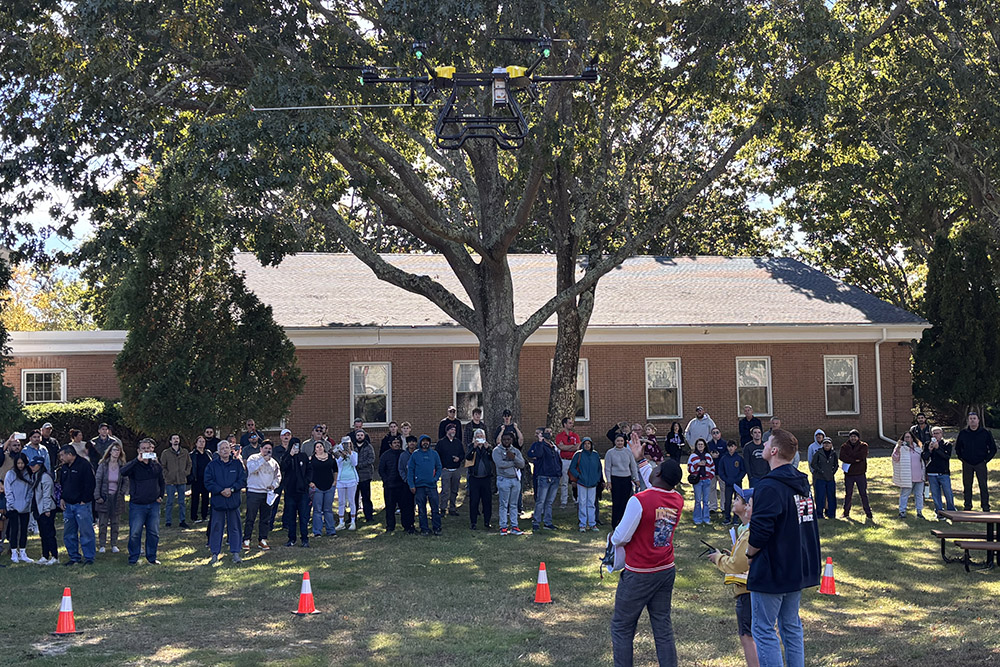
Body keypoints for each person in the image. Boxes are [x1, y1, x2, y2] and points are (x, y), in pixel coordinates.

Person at [745, 429, 821, 667]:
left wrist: (749, 554)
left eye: (767, 442)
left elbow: (761, 530)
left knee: (764, 629)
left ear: (774, 450)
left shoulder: (769, 486)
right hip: (796, 564)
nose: (764, 446)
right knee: (791, 626)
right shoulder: (801, 483)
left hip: (773, 567)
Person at [610, 459, 685, 667]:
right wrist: (640, 459)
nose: (652, 470)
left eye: (656, 468)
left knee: (622, 627)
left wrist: (612, 537)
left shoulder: (639, 500)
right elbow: (656, 487)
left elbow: (620, 537)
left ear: (658, 474)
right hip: (665, 568)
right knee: (662, 626)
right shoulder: (677, 499)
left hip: (640, 571)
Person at [707, 486, 759, 667]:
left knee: (748, 635)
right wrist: (731, 555)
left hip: (747, 591)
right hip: (753, 589)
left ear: (748, 507)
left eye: (739, 499)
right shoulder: (746, 530)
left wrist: (718, 559)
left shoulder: (749, 533)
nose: (734, 501)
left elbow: (737, 565)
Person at [120, 438, 166, 565]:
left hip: (153, 504)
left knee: (153, 533)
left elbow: (161, 481)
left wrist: (161, 495)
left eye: (149, 448)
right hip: (137, 505)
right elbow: (122, 472)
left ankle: (151, 557)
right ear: (138, 450)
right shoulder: (134, 465)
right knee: (135, 533)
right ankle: (133, 558)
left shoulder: (156, 464)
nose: (146, 450)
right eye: (144, 448)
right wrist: (136, 460)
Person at [204, 440, 247, 564]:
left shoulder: (237, 464)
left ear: (230, 449)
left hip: (233, 502)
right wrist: (220, 490)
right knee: (216, 528)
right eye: (222, 448)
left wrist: (232, 489)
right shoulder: (212, 466)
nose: (225, 450)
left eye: (227, 448)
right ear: (218, 451)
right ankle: (215, 553)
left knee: (235, 528)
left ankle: (236, 553)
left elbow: (242, 480)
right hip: (218, 502)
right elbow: (208, 482)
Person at [58, 445, 97, 565]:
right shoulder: (64, 467)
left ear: (70, 454)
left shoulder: (84, 465)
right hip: (68, 505)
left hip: (82, 505)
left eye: (62, 455)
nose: (61, 458)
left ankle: (89, 557)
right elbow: (62, 484)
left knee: (86, 532)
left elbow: (91, 483)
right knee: (69, 533)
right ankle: (74, 557)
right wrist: (62, 498)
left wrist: (84, 500)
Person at [243, 440, 281, 550]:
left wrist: (273, 486)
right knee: (250, 517)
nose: (268, 450)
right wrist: (263, 460)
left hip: (267, 493)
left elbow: (278, 476)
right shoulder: (253, 458)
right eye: (265, 448)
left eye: (269, 449)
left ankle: (262, 540)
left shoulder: (274, 462)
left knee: (265, 518)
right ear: (261, 449)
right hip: (254, 492)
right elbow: (251, 469)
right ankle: (246, 540)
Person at [956, 411, 997, 512]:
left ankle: (985, 506)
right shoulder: (963, 433)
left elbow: (993, 449)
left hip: (980, 463)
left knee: (983, 485)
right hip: (967, 463)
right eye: (971, 419)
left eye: (974, 418)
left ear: (978, 420)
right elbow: (958, 448)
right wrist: (963, 459)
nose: (972, 420)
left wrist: (985, 460)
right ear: (968, 421)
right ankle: (967, 506)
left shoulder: (985, 433)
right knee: (967, 485)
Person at [95, 442, 129, 554]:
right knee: (103, 523)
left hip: (117, 497)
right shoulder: (103, 465)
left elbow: (125, 480)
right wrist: (97, 496)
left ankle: (114, 544)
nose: (116, 452)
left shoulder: (122, 465)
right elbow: (98, 481)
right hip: (104, 496)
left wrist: (122, 492)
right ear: (110, 451)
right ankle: (102, 545)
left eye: (118, 450)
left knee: (115, 522)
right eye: (114, 450)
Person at [408, 435, 443, 536]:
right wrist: (411, 484)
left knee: (435, 508)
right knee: (421, 509)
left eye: (427, 441)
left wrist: (435, 479)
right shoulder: (415, 455)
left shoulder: (434, 454)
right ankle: (424, 529)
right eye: (423, 441)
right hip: (419, 486)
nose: (425, 443)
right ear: (420, 443)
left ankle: (437, 527)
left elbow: (439, 467)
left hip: (432, 486)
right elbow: (410, 470)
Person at [528, 427, 561, 531]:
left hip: (555, 476)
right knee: (540, 501)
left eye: (550, 432)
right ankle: (536, 522)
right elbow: (538, 454)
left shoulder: (553, 446)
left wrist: (559, 472)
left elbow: (557, 459)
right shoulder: (540, 445)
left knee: (549, 502)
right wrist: (540, 442)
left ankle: (548, 522)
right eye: (546, 432)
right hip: (544, 476)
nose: (549, 434)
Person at [281, 439, 313, 547]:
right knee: (291, 516)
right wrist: (290, 455)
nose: (296, 448)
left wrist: (307, 481)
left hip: (302, 491)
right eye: (294, 445)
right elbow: (283, 467)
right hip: (290, 491)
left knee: (303, 517)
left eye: (297, 445)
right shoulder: (286, 456)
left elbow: (309, 470)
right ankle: (291, 538)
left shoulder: (303, 456)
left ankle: (305, 539)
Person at [492, 432, 524, 536]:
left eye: (508, 440)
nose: (506, 441)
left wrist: (514, 458)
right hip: (503, 479)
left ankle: (514, 526)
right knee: (503, 504)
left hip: (515, 480)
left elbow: (522, 464)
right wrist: (513, 462)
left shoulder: (515, 451)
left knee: (514, 504)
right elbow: (500, 464)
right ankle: (503, 527)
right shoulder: (497, 451)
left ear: (511, 440)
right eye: (504, 439)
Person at [4, 453, 34, 563]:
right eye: (18, 463)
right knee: (14, 529)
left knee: (23, 530)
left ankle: (22, 551)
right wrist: (11, 503)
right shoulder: (10, 474)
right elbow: (8, 490)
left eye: (22, 463)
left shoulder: (28, 474)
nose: (20, 465)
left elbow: (30, 490)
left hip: (25, 506)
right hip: (13, 507)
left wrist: (27, 502)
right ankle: (13, 552)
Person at [606, 434, 641, 529]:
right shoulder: (610, 453)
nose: (620, 443)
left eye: (621, 441)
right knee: (616, 502)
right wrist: (608, 481)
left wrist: (636, 479)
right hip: (615, 479)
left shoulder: (628, 452)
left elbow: (633, 466)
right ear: (615, 442)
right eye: (618, 441)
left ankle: (624, 523)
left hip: (626, 479)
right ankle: (615, 523)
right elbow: (607, 468)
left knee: (625, 502)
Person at [29, 455, 59, 565]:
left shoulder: (45, 477)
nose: (31, 467)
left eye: (34, 465)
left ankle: (55, 556)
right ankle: (45, 555)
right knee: (43, 534)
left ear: (40, 465)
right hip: (39, 509)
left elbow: (47, 495)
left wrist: (47, 509)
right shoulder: (36, 476)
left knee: (49, 533)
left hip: (47, 509)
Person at [569, 436, 603, 532]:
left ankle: (592, 523)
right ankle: (582, 524)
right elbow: (572, 468)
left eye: (589, 443)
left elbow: (599, 468)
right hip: (582, 483)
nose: (587, 445)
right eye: (585, 444)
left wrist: (597, 479)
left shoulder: (595, 455)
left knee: (591, 504)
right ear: (582, 445)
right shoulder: (578, 455)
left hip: (593, 483)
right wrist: (579, 476)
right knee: (582, 502)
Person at [839, 429, 874, 522]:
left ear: (858, 437)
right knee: (848, 494)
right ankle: (846, 512)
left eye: (855, 436)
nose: (853, 438)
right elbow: (842, 457)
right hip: (849, 474)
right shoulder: (844, 446)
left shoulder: (864, 446)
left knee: (863, 493)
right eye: (851, 436)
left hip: (860, 474)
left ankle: (868, 513)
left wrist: (850, 458)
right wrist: (855, 460)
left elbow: (862, 456)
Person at [465, 428, 494, 531]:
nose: (480, 438)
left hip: (486, 478)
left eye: (481, 436)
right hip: (474, 478)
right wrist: (474, 447)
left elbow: (492, 458)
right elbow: (467, 458)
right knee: (474, 501)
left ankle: (487, 521)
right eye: (478, 436)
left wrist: (488, 449)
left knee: (487, 501)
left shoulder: (488, 447)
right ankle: (473, 522)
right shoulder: (471, 447)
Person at [923, 426, 956, 516]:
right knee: (935, 494)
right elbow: (924, 457)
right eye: (934, 433)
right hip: (932, 473)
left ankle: (951, 510)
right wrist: (929, 450)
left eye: (937, 433)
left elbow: (946, 457)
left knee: (948, 493)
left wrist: (938, 448)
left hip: (943, 472)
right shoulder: (927, 444)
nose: (935, 435)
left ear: (941, 434)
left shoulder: (946, 444)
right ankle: (939, 511)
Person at [160, 434, 192, 529]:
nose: (176, 440)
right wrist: (167, 474)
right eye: (173, 439)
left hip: (181, 480)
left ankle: (182, 520)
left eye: (177, 438)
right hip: (170, 481)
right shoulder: (166, 453)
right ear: (170, 441)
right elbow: (162, 466)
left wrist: (186, 473)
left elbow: (189, 463)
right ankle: (168, 521)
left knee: (182, 501)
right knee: (170, 501)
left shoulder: (184, 452)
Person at [892, 431, 926, 519]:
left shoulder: (918, 448)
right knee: (904, 494)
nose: (907, 439)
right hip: (907, 476)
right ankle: (902, 511)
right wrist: (898, 447)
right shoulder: (901, 448)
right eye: (905, 437)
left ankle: (919, 511)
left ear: (912, 438)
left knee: (919, 495)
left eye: (909, 437)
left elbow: (923, 460)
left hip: (919, 476)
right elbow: (895, 458)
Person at [309, 438, 338, 537]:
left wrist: (335, 481)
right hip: (317, 487)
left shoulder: (331, 458)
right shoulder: (311, 459)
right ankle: (317, 531)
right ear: (315, 449)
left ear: (324, 447)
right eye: (317, 447)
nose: (319, 448)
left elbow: (335, 470)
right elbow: (308, 472)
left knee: (328, 509)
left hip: (329, 486)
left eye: (321, 446)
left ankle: (331, 530)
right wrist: (310, 483)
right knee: (317, 510)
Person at [379, 435, 407, 533]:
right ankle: (390, 526)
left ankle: (406, 526)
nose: (397, 444)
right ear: (390, 445)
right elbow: (381, 470)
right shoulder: (385, 455)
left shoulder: (404, 454)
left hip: (402, 485)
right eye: (394, 443)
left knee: (404, 507)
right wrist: (386, 480)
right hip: (390, 486)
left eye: (398, 443)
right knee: (390, 508)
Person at [436, 424, 465, 517]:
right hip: (446, 470)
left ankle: (452, 508)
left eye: (454, 430)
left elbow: (462, 454)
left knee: (454, 490)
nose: (453, 431)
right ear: (447, 431)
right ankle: (443, 508)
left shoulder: (458, 442)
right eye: (451, 430)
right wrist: (441, 466)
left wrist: (459, 459)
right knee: (445, 490)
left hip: (456, 469)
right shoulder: (441, 443)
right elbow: (437, 456)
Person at [716, 440, 747, 525]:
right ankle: (727, 517)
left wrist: (737, 479)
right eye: (729, 447)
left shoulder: (739, 458)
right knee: (728, 501)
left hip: (737, 483)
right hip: (728, 483)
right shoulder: (724, 458)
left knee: (738, 501)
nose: (731, 448)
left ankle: (736, 518)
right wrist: (726, 479)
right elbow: (721, 471)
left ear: (735, 447)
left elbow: (743, 470)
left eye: (732, 446)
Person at [687, 438, 715, 526]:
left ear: (704, 446)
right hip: (698, 481)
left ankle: (706, 518)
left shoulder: (708, 456)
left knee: (706, 501)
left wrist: (710, 477)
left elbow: (712, 467)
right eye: (699, 444)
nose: (700, 446)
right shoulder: (693, 456)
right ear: (696, 446)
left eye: (702, 444)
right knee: (698, 500)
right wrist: (697, 465)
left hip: (706, 480)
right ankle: (697, 518)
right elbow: (689, 469)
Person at [555, 417, 582, 509]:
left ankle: (577, 499)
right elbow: (561, 447)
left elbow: (578, 447)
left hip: (574, 460)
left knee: (575, 480)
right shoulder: (559, 436)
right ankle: (564, 501)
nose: (571, 424)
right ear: (565, 424)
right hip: (564, 460)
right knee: (564, 481)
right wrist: (571, 447)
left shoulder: (575, 435)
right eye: (569, 423)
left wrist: (567, 447)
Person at [333, 438, 359, 531]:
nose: (346, 445)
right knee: (341, 501)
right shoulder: (338, 455)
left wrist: (350, 454)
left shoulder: (354, 454)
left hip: (351, 479)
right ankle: (341, 522)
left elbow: (354, 463)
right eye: (344, 444)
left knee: (351, 500)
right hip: (341, 480)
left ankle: (353, 521)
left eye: (347, 444)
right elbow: (337, 463)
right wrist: (342, 456)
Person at [810, 437, 838, 520]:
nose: (827, 445)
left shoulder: (833, 453)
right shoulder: (818, 453)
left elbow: (836, 464)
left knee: (831, 496)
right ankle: (819, 514)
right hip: (820, 478)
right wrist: (820, 471)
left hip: (830, 478)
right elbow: (813, 464)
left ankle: (831, 514)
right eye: (825, 443)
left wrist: (832, 471)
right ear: (823, 444)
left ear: (831, 444)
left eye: (828, 443)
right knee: (820, 496)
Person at [396, 435, 418, 534]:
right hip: (406, 484)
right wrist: (406, 479)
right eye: (410, 442)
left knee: (415, 504)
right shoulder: (403, 455)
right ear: (407, 444)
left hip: (418, 482)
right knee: (407, 505)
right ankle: (406, 524)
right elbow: (401, 469)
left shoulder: (419, 454)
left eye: (413, 442)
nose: (412, 443)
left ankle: (413, 523)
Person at [189, 435, 213, 524]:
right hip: (196, 479)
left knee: (206, 498)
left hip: (206, 479)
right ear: (196, 443)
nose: (202, 443)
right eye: (200, 441)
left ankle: (204, 515)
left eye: (203, 441)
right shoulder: (192, 455)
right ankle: (194, 517)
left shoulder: (208, 453)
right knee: (195, 498)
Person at [354, 430, 376, 523]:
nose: (359, 437)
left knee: (366, 497)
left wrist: (360, 465)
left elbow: (371, 459)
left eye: (361, 435)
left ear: (364, 436)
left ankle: (369, 516)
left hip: (365, 475)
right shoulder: (352, 447)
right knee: (354, 497)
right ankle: (353, 516)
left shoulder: (368, 447)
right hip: (354, 476)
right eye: (358, 435)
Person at [707, 427, 727, 513]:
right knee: (712, 488)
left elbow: (727, 454)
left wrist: (719, 455)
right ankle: (712, 506)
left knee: (723, 488)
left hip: (721, 469)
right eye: (714, 433)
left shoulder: (724, 443)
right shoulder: (709, 444)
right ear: (711, 435)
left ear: (720, 434)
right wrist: (711, 456)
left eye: (717, 432)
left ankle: (723, 507)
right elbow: (706, 455)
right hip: (712, 470)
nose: (716, 434)